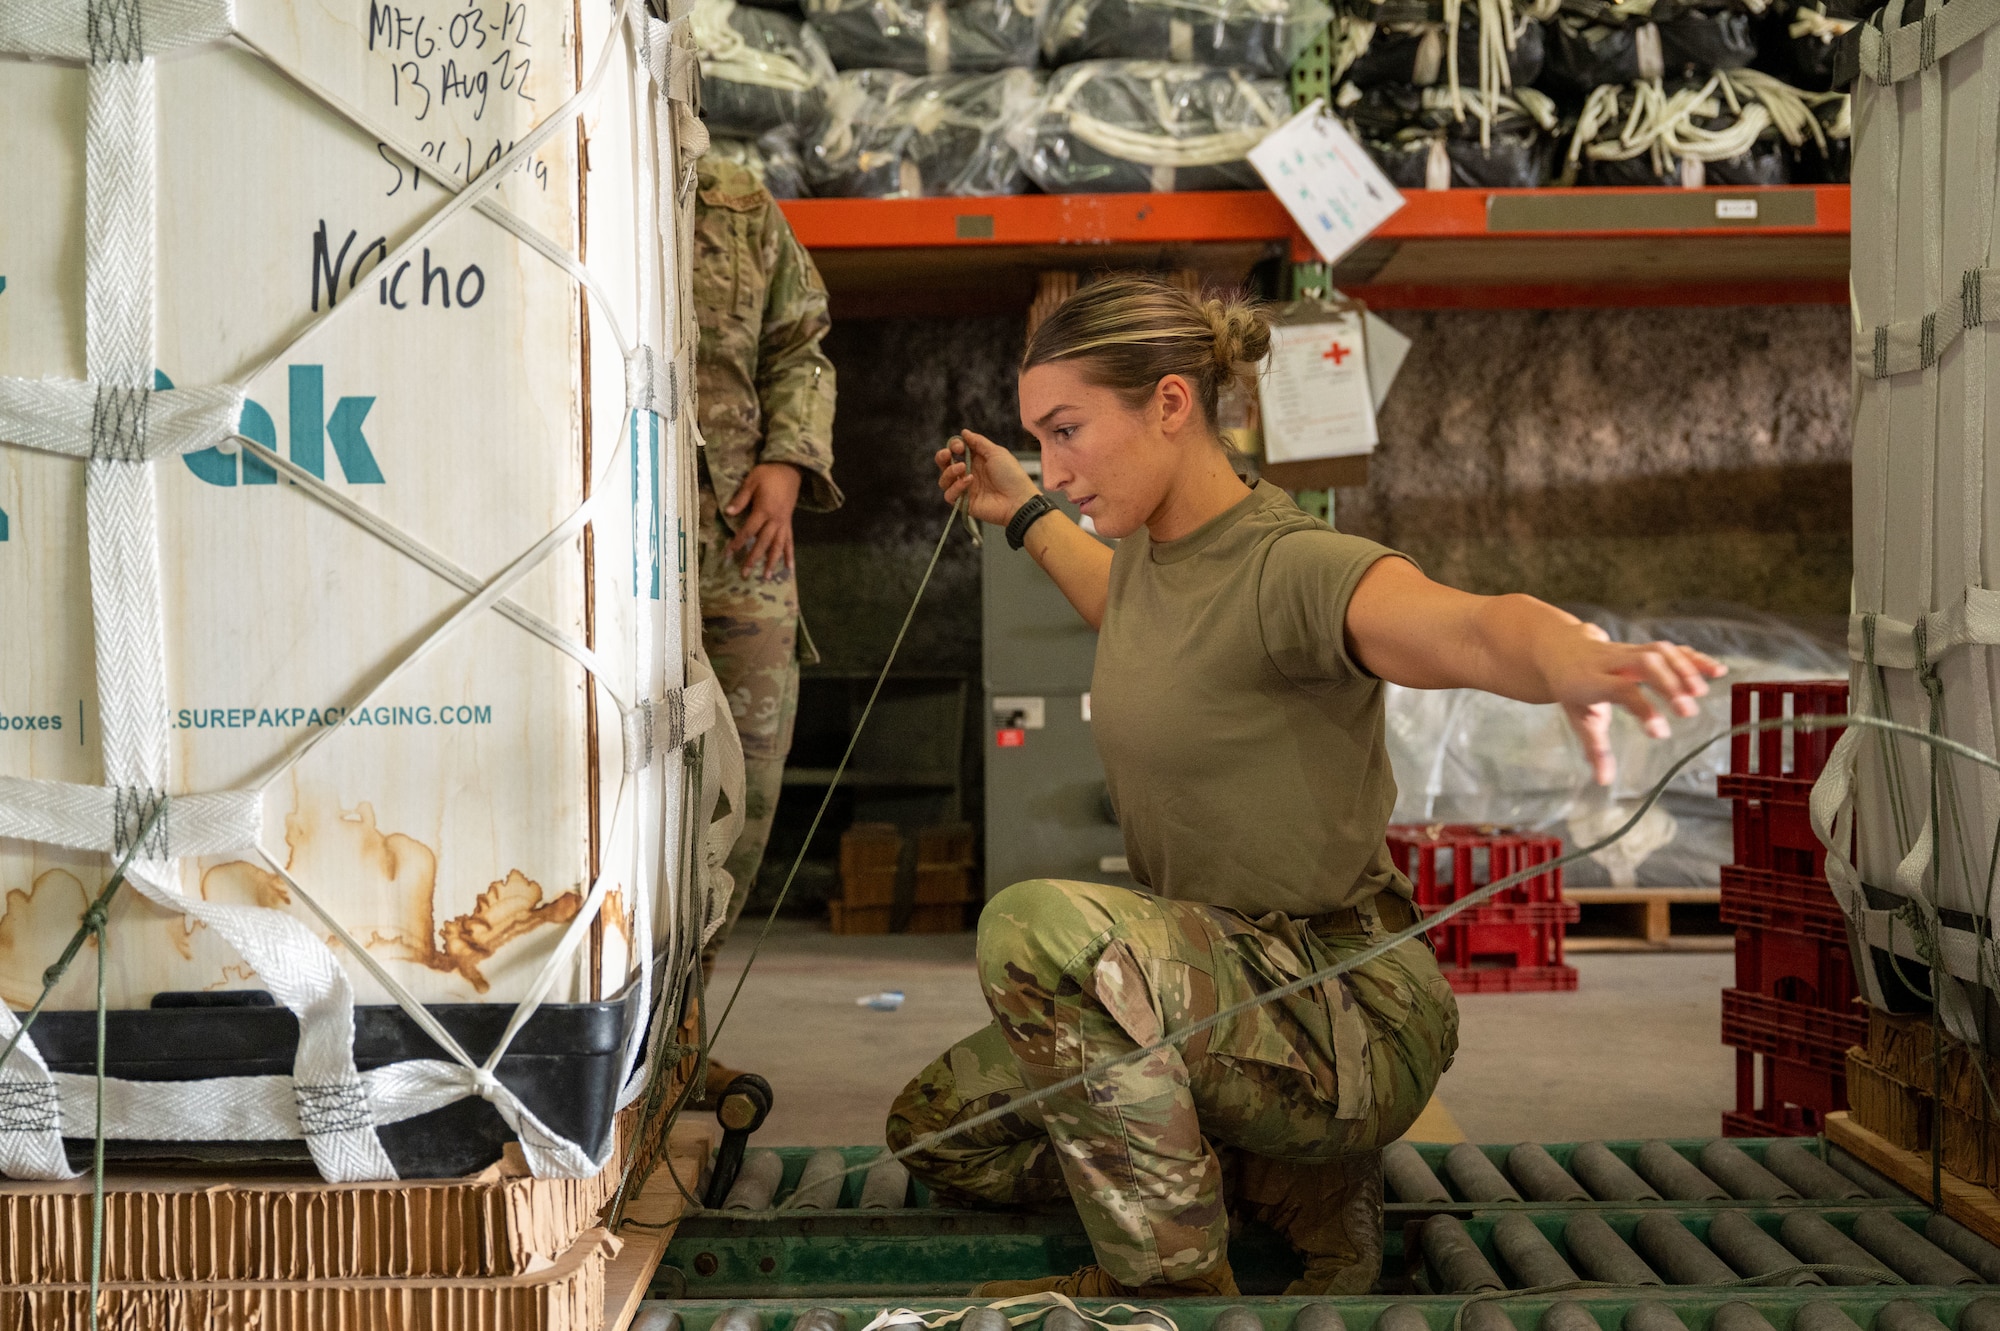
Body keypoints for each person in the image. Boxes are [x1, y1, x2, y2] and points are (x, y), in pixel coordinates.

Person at [886, 274, 1725, 1299]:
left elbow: (1462, 623)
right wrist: (1020, 511)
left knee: (1037, 929)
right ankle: (1289, 1181)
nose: (1055, 466)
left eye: (1065, 432)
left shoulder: (1289, 565)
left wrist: (1567, 657)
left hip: (1340, 1006)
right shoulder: (1152, 558)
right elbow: (1123, 607)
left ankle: (1177, 1286)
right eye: (1038, 442)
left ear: (1168, 403)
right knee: (938, 1131)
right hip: (1224, 995)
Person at [691, 152, 841, 1103]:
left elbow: (800, 343)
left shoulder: (735, 196)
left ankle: (679, 1034)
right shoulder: (558, 160)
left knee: (739, 790)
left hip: (739, 538)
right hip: (594, 531)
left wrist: (789, 459)